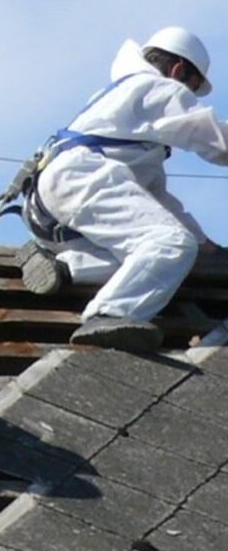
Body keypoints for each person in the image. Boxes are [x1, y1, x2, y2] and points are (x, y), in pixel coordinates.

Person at [18, 26, 228, 351]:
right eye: (192, 86)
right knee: (171, 245)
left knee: (158, 260)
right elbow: (214, 138)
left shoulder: (126, 103)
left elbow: (155, 201)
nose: (187, 94)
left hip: (51, 200)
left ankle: (65, 266)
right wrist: (192, 243)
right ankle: (109, 314)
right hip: (83, 178)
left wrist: (206, 247)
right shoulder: (155, 88)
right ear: (178, 70)